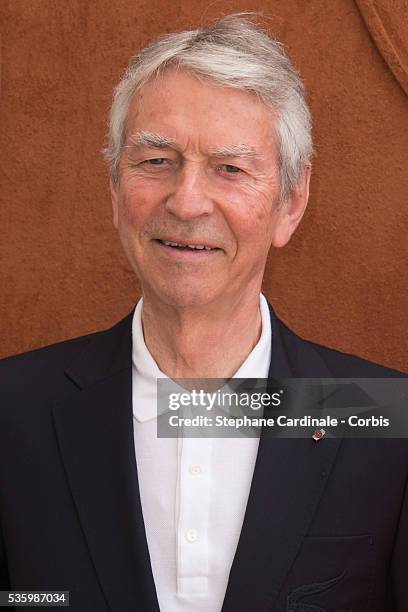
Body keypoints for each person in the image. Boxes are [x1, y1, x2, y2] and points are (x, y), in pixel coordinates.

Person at [0, 14, 407, 612]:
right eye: (156, 161)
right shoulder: (12, 411)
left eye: (231, 168)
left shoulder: (378, 417)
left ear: (291, 203)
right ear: (115, 189)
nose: (188, 202)